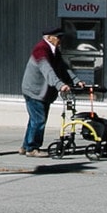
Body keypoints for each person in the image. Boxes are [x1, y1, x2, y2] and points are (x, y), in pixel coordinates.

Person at [19, 26, 75, 157]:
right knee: (39, 120)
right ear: (49, 38)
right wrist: (60, 85)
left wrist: (76, 81)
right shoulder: (41, 50)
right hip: (34, 91)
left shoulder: (54, 51)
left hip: (42, 92)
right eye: (58, 37)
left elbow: (63, 67)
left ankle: (25, 146)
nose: (60, 40)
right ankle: (32, 148)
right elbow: (48, 70)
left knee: (34, 119)